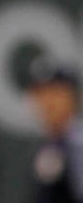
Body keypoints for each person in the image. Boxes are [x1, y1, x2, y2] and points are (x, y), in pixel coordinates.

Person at [28, 62, 83, 203]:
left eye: (56, 92)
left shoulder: (77, 144)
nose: (48, 101)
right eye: (41, 93)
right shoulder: (47, 144)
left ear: (73, 97)